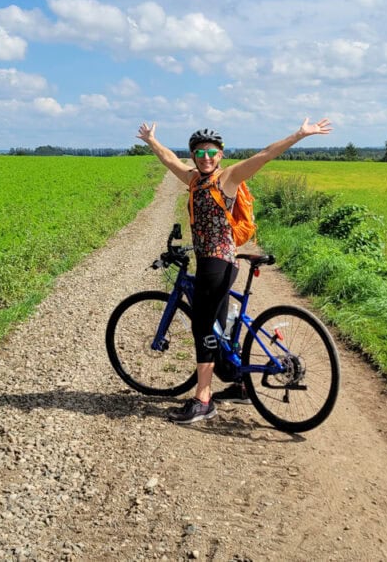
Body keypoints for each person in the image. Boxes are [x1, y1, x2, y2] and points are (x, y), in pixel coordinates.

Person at [136, 118, 333, 424]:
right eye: (199, 152)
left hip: (218, 262)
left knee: (201, 327)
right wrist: (151, 141)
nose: (205, 157)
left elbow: (264, 155)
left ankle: (203, 399)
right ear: (193, 156)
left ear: (221, 155)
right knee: (220, 328)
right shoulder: (192, 179)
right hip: (212, 262)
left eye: (211, 152)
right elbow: (169, 159)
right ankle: (240, 383)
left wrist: (299, 134)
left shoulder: (228, 178)